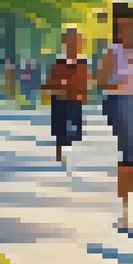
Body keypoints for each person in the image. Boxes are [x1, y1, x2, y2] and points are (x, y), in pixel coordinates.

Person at [97, 1, 133, 232]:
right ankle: (124, 210)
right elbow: (100, 82)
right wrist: (116, 83)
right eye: (119, 26)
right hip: (117, 102)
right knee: (128, 151)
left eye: (126, 25)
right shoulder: (111, 51)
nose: (123, 30)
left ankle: (124, 203)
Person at [43, 27, 90, 170]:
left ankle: (68, 150)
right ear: (64, 43)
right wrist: (58, 88)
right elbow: (49, 84)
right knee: (60, 128)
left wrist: (82, 94)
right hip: (60, 100)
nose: (72, 45)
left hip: (75, 100)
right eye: (70, 41)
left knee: (74, 132)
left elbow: (85, 85)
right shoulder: (58, 63)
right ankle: (59, 152)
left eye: (75, 42)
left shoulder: (82, 64)